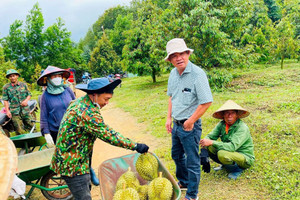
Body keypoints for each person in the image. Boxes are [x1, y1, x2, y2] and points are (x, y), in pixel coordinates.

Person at [50, 77, 149, 200]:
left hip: (77, 159)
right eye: (106, 99)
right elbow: (108, 135)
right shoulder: (87, 112)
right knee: (84, 196)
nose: (107, 103)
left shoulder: (80, 102)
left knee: (84, 189)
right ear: (95, 95)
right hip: (72, 165)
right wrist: (135, 146)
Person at [165, 38, 213, 200]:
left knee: (192, 161)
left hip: (190, 126)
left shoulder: (197, 74)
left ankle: (192, 195)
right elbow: (171, 97)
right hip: (177, 124)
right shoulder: (173, 74)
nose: (179, 58)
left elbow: (206, 102)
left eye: (182, 54)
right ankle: (184, 181)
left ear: (188, 54)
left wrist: (191, 120)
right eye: (174, 55)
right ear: (170, 60)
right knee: (177, 155)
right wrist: (168, 118)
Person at [200, 100, 255, 180]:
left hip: (244, 157)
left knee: (222, 154)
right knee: (210, 146)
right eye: (227, 113)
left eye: (232, 113)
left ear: (237, 115)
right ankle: (226, 165)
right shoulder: (222, 124)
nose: (229, 115)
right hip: (229, 151)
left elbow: (231, 147)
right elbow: (210, 137)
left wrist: (211, 142)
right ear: (223, 115)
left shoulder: (242, 128)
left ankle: (237, 169)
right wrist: (204, 151)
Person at [37, 66, 76, 145]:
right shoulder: (45, 96)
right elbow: (43, 116)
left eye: (59, 76)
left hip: (73, 127)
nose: (57, 78)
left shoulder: (67, 90)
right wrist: (46, 132)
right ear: (49, 79)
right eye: (54, 76)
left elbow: (77, 105)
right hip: (57, 131)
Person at [2, 69, 34, 135]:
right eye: (10, 76)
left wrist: (26, 101)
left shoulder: (23, 85)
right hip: (15, 111)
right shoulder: (6, 87)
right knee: (19, 129)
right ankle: (23, 144)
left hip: (25, 110)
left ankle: (36, 141)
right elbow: (5, 100)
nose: (12, 77)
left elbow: (29, 94)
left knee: (31, 125)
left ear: (17, 76)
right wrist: (7, 111)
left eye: (14, 76)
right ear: (8, 78)